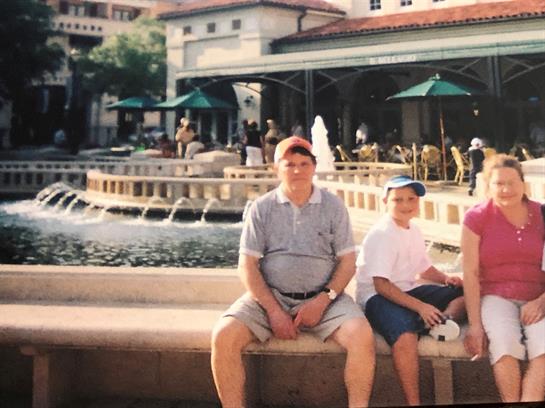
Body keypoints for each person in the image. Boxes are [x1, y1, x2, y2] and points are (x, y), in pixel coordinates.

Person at [211, 136, 376, 408]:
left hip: (326, 298)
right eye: (289, 164)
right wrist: (274, 311)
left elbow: (347, 262)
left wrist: (323, 300)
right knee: (224, 335)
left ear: (314, 167)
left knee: (361, 335)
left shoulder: (334, 206)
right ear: (276, 168)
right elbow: (247, 265)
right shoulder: (261, 208)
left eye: (304, 163)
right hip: (269, 298)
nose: (298, 170)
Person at [355, 175, 466, 406]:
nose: (406, 205)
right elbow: (381, 285)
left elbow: (423, 267)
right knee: (406, 336)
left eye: (411, 199)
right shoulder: (382, 234)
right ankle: (413, 402)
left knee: (465, 293)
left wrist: (446, 278)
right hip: (378, 298)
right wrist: (421, 307)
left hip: (406, 291)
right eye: (398, 200)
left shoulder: (413, 229)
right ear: (385, 201)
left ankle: (443, 322)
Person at [462, 154, 545, 403]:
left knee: (543, 350)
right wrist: (475, 325)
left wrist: (542, 301)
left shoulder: (543, 215)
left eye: (512, 182)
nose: (506, 189)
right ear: (488, 186)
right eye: (499, 183)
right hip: (496, 296)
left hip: (538, 297)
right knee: (504, 346)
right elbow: (470, 273)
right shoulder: (476, 218)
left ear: (523, 183)